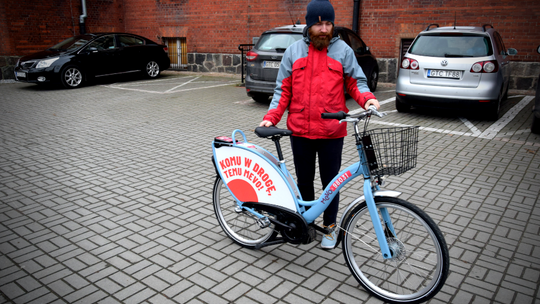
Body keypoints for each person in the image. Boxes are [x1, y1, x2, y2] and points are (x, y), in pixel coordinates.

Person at [259, 0, 380, 249]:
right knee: (304, 181)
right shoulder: (293, 52)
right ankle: (305, 223)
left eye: (328, 24)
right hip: (300, 130)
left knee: (331, 183)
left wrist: (368, 100)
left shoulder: (343, 51)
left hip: (331, 131)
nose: (324, 29)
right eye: (318, 24)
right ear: (309, 24)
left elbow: (356, 82)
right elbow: (282, 90)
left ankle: (329, 228)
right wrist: (271, 117)